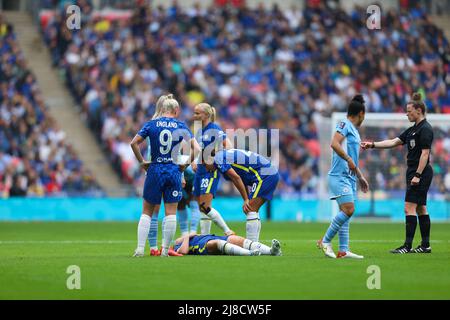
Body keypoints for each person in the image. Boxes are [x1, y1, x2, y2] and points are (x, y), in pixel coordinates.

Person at [361, 92, 434, 254]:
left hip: (420, 172)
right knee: (421, 208)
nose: (406, 114)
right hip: (414, 172)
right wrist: (372, 145)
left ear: (419, 111)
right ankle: (425, 245)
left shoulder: (425, 129)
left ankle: (407, 246)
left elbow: (425, 154)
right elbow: (393, 142)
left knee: (408, 208)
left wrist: (418, 175)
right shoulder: (412, 130)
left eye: (409, 111)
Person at [130, 94, 199, 257]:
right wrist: (185, 165)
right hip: (173, 171)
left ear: (161, 109)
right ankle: (165, 251)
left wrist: (142, 162)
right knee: (170, 213)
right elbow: (197, 149)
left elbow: (133, 143)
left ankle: (140, 249)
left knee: (147, 211)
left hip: (154, 169)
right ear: (176, 110)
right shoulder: (181, 126)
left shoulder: (151, 124)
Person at [317, 95, 369, 259]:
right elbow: (334, 143)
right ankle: (325, 241)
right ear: (361, 113)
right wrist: (347, 160)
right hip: (339, 176)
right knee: (349, 209)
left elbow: (353, 160)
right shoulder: (345, 124)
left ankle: (343, 250)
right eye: (363, 115)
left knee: (345, 211)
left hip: (349, 177)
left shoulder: (354, 130)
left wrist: (360, 176)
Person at [205, 148, 280, 242]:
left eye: (204, 165)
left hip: (265, 175)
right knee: (252, 209)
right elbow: (240, 178)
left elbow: (236, 178)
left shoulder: (218, 159)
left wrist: (245, 199)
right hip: (268, 172)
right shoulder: (224, 155)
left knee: (250, 208)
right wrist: (247, 198)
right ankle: (254, 244)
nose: (206, 169)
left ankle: (252, 246)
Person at [191, 103, 235, 235]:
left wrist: (215, 159)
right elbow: (198, 150)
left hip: (210, 172)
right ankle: (205, 236)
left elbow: (229, 147)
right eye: (195, 112)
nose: (195, 116)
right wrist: (192, 161)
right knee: (201, 207)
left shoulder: (215, 129)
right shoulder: (199, 131)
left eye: (198, 113)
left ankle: (228, 231)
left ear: (206, 115)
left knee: (205, 206)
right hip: (199, 171)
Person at [173, 232, 282, 256]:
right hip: (202, 246)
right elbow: (183, 251)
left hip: (210, 236)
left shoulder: (179, 240)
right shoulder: (176, 245)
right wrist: (187, 236)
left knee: (236, 239)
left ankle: (271, 251)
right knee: (217, 243)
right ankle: (249, 253)